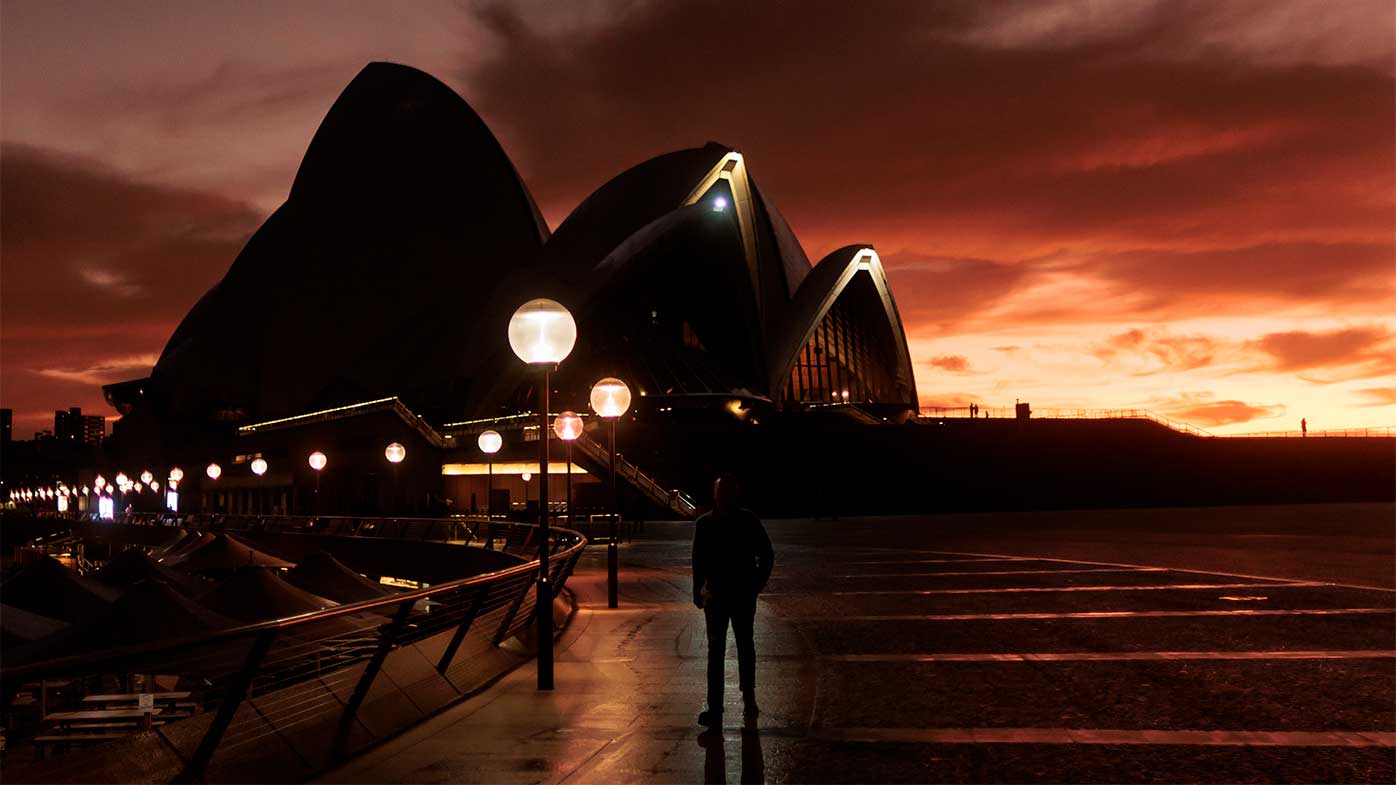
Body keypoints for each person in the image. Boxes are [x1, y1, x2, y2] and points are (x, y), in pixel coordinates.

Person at [692, 474, 774, 728]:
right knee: (742, 645)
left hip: (721, 594)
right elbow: (767, 555)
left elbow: (698, 560)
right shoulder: (747, 520)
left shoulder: (706, 523)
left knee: (719, 650)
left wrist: (698, 590)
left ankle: (717, 706)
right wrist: (756, 584)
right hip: (735, 594)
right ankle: (745, 699)